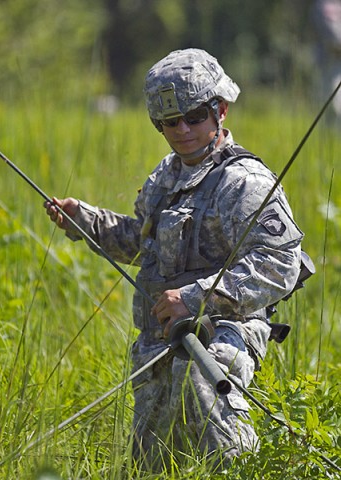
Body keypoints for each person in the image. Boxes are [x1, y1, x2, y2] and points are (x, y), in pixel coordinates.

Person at [44, 48, 303, 472]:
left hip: (224, 331)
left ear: (219, 110)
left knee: (213, 422)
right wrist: (82, 220)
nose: (182, 129)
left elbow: (280, 265)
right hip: (158, 340)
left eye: (195, 116)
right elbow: (140, 244)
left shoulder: (246, 182)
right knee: (152, 464)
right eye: (170, 121)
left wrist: (198, 296)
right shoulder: (166, 175)